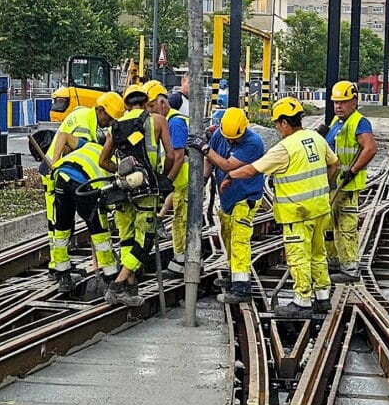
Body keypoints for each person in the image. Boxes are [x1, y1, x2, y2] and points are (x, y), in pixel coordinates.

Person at [226, 97, 339, 318]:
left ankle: (302, 301)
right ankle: (323, 297)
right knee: (317, 253)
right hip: (320, 209)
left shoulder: (285, 148)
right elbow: (334, 164)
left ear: (285, 123)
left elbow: (252, 170)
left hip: (298, 213)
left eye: (278, 124)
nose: (277, 128)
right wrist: (322, 185)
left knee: (298, 255)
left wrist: (230, 175)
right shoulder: (316, 138)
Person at [98, 84, 174, 307]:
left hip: (123, 190)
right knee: (144, 239)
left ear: (125, 104)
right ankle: (118, 286)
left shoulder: (116, 126)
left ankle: (131, 288)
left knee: (127, 238)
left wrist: (123, 173)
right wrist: (159, 175)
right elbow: (170, 154)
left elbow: (103, 161)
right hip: (147, 191)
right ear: (146, 101)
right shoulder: (158, 121)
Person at [42, 92, 124, 278]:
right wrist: (55, 166)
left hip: (63, 173)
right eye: (110, 118)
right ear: (101, 110)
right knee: (61, 223)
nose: (110, 123)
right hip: (59, 172)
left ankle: (61, 268)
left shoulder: (92, 123)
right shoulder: (85, 122)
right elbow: (64, 140)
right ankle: (58, 267)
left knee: (62, 223)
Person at [190, 107, 264, 303]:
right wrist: (204, 178)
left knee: (239, 239)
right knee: (228, 235)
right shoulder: (220, 135)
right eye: (228, 138)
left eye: (234, 139)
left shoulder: (253, 143)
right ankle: (234, 274)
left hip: (246, 197)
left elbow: (227, 165)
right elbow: (211, 160)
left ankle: (242, 287)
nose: (230, 142)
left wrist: (204, 148)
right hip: (228, 198)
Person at [48, 140, 119, 295]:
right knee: (99, 231)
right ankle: (111, 277)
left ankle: (63, 276)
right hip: (82, 184)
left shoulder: (87, 146)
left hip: (61, 177)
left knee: (61, 229)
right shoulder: (110, 160)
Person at [324, 81, 378, 283]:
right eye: (336, 102)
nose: (338, 106)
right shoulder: (336, 123)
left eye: (343, 102)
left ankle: (350, 269)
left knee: (345, 227)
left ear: (354, 102)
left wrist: (353, 171)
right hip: (333, 184)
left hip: (347, 186)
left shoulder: (358, 122)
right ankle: (334, 262)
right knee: (329, 227)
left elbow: (370, 148)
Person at [143, 80, 189, 277]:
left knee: (182, 222)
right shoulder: (168, 122)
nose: (151, 112)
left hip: (184, 181)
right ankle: (181, 260)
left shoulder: (175, 122)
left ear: (163, 103)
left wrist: (165, 183)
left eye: (152, 107)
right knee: (179, 221)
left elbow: (178, 157)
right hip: (180, 183)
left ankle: (183, 262)